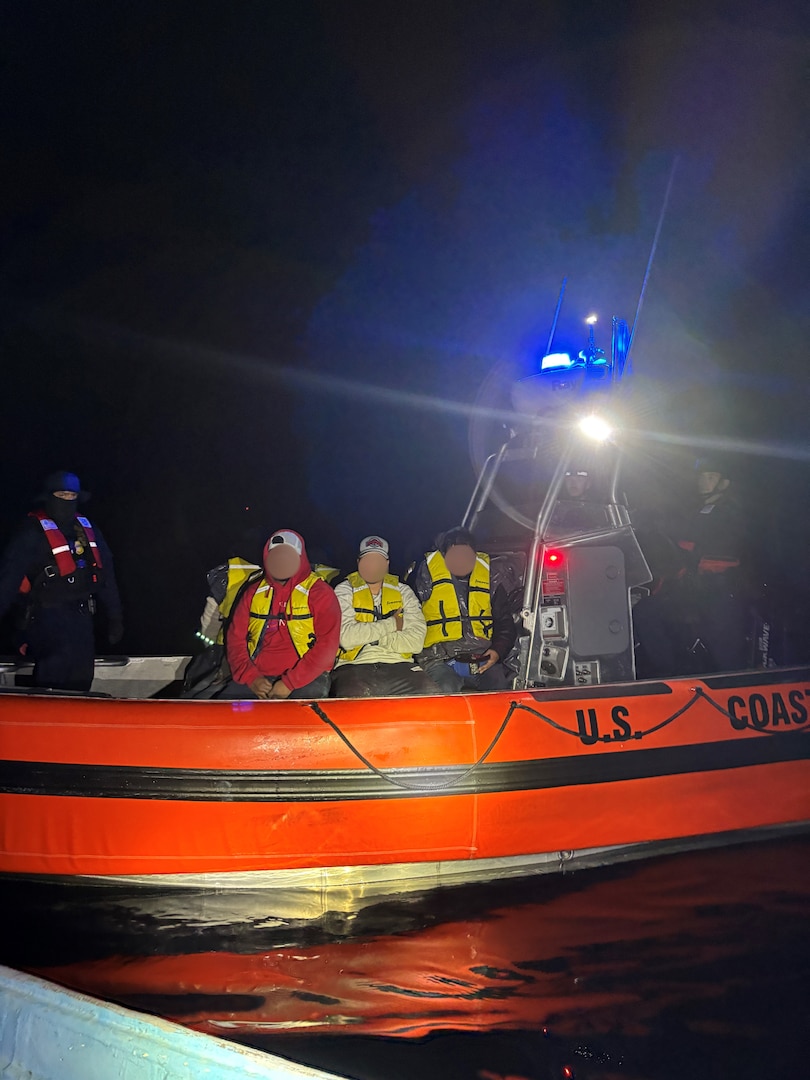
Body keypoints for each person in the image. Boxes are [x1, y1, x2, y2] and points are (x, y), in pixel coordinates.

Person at [0, 470, 123, 692]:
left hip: (82, 619)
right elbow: (8, 581)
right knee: (52, 684)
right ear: (48, 496)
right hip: (45, 619)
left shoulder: (88, 530)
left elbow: (106, 575)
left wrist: (115, 615)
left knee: (82, 679)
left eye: (71, 496)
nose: (66, 501)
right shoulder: (30, 533)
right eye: (61, 495)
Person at [634, 455, 747, 676]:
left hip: (721, 590)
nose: (704, 481)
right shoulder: (698, 510)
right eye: (702, 477)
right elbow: (680, 544)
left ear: (724, 483)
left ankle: (731, 684)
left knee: (723, 645)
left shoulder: (730, 512)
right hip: (696, 589)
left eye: (711, 477)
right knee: (646, 611)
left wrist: (683, 549)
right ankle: (670, 674)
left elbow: (717, 549)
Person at [214, 528, 340, 699]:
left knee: (299, 719)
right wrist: (252, 678)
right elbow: (235, 640)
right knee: (224, 715)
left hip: (307, 677)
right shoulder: (253, 593)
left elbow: (328, 646)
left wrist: (289, 683)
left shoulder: (320, 592)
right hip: (257, 678)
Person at [331, 535, 442, 697]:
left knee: (433, 697)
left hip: (401, 666)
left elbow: (415, 642)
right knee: (351, 707)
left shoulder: (404, 592)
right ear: (358, 563)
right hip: (353, 666)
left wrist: (373, 638)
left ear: (387, 564)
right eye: (367, 560)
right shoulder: (343, 590)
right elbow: (346, 637)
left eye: (378, 561)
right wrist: (392, 624)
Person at [411, 526, 517, 693]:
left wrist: (497, 651)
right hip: (438, 658)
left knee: (498, 686)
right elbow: (410, 620)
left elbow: (505, 624)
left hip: (481, 657)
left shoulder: (491, 581)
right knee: (446, 687)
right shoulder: (424, 578)